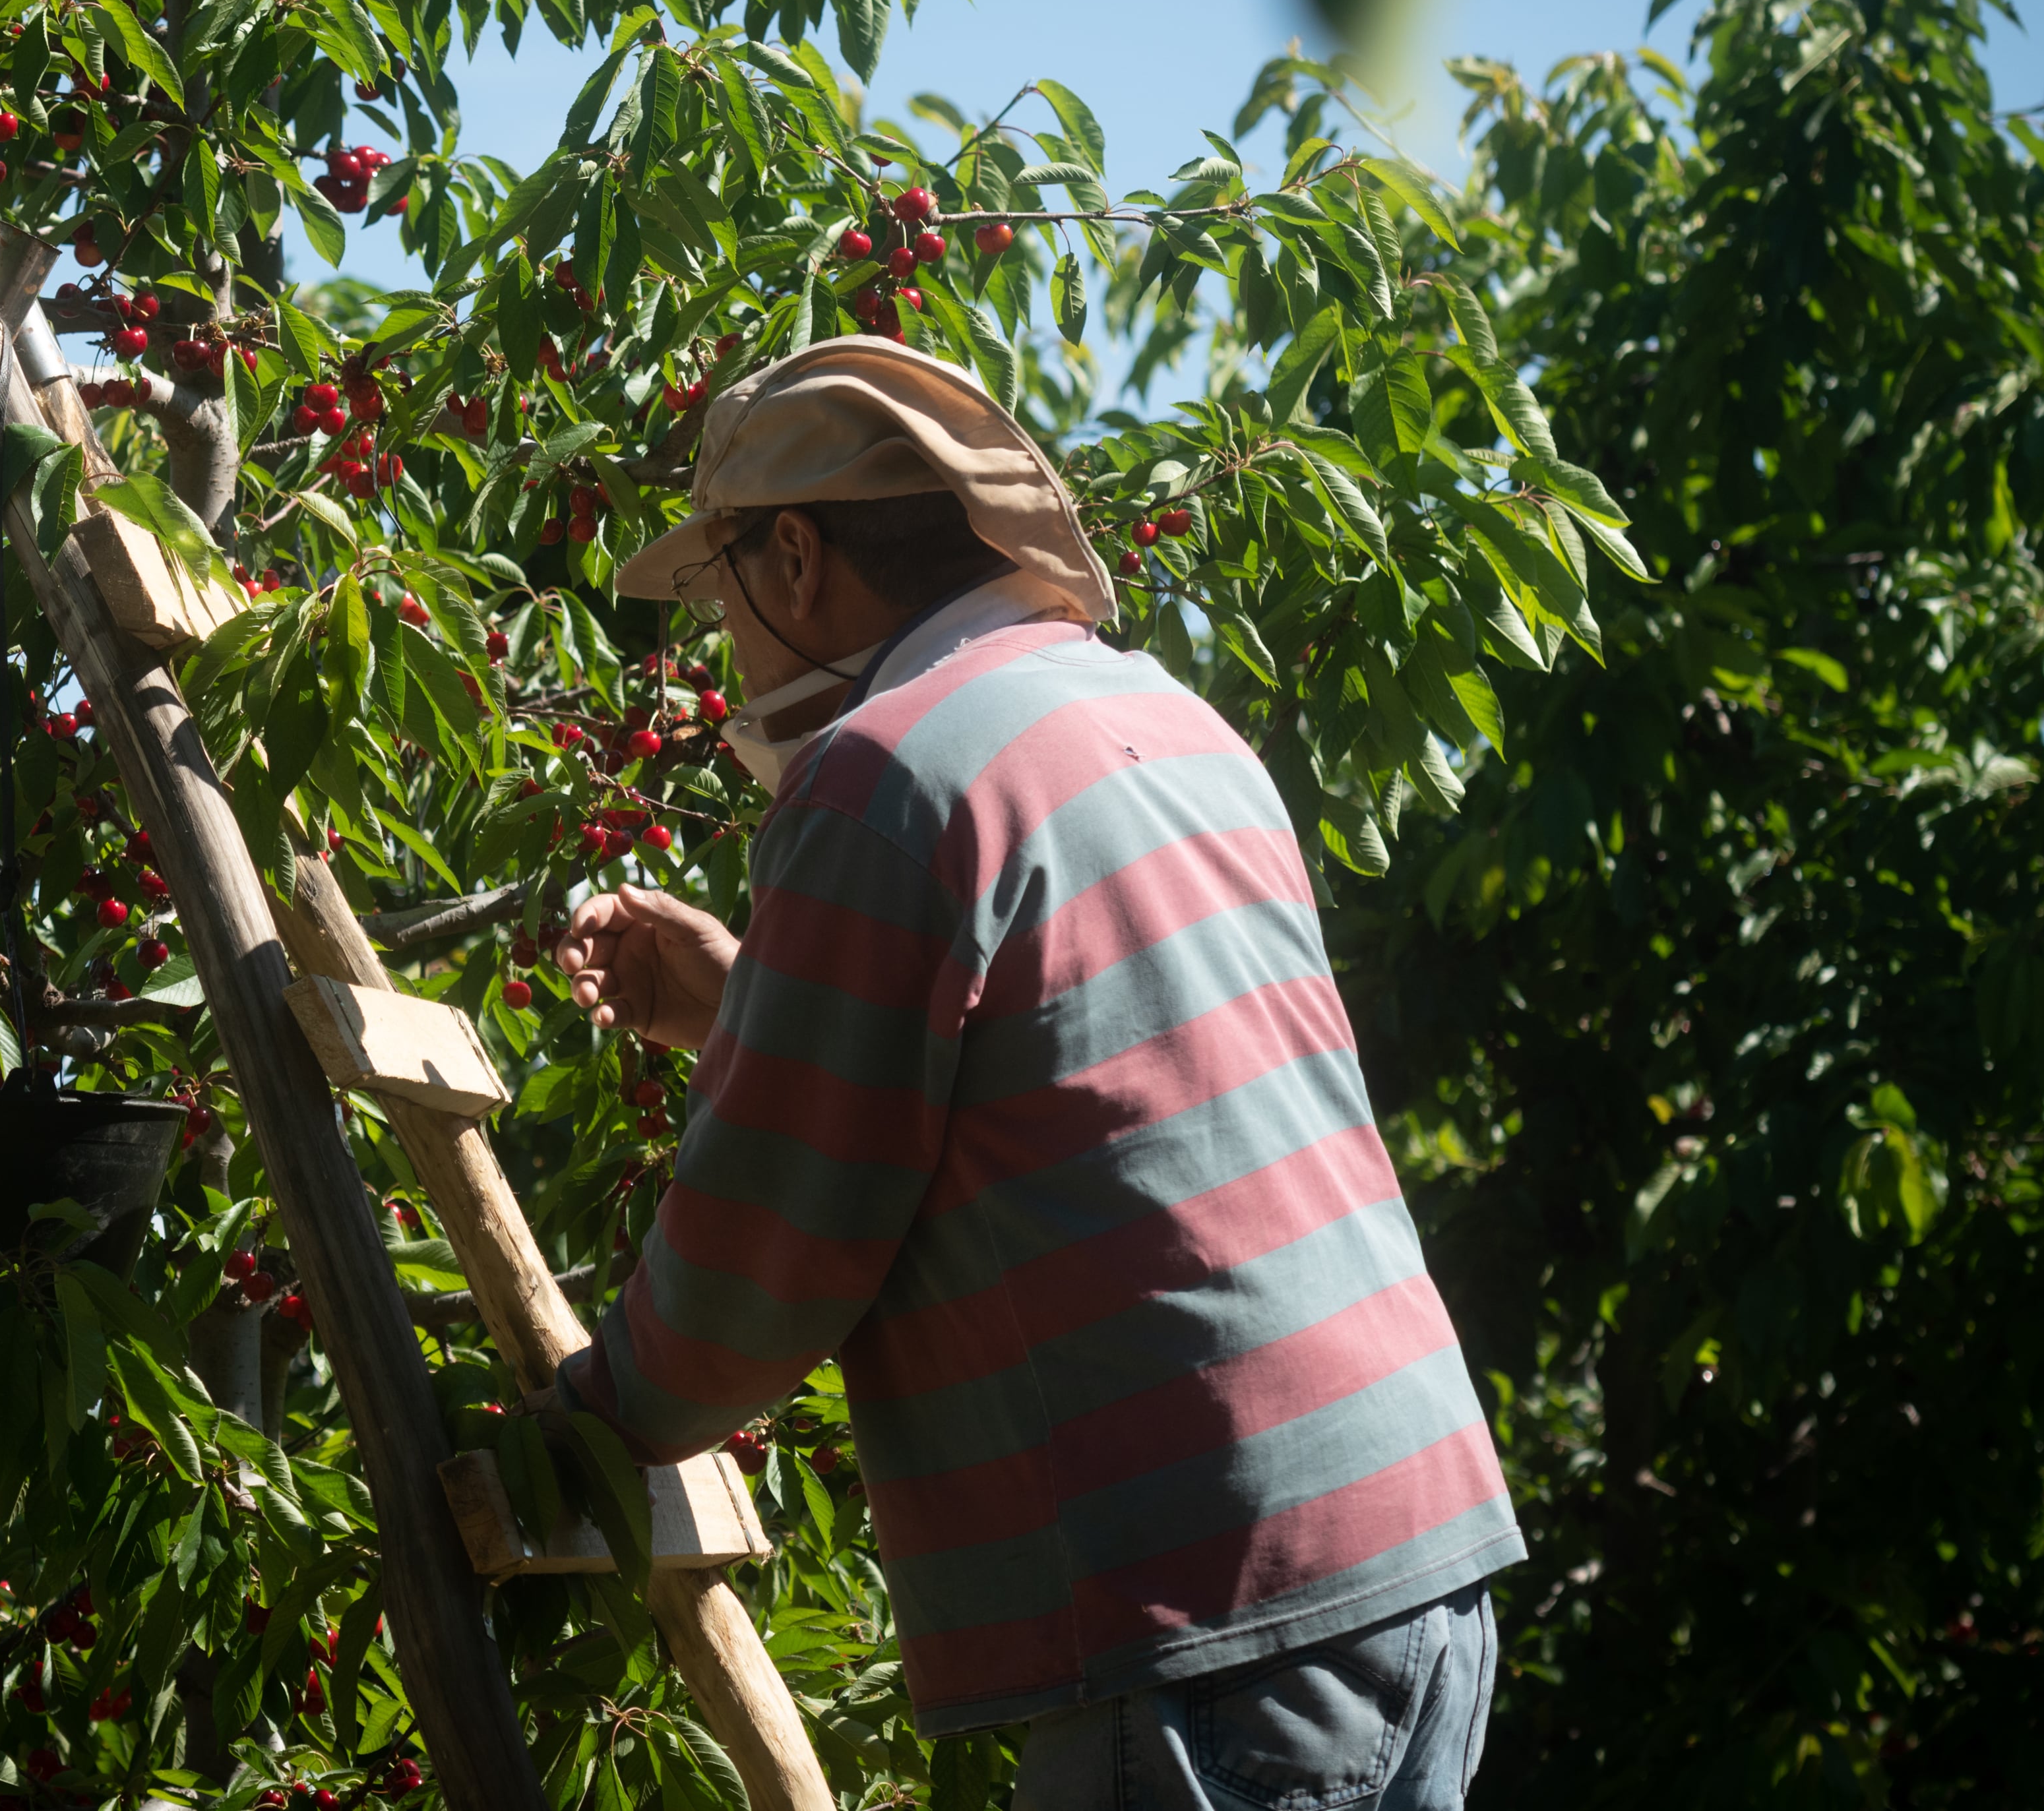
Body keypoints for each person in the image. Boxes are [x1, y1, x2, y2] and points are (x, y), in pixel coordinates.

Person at [549, 337, 1523, 1810]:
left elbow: (763, 1269)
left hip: (1209, 1613)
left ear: (794, 557)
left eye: (719, 588)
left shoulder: (880, 777)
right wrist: (750, 997)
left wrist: (577, 1418)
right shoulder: (1165, 722)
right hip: (1414, 1561)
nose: (718, 649)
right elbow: (1083, 1074)